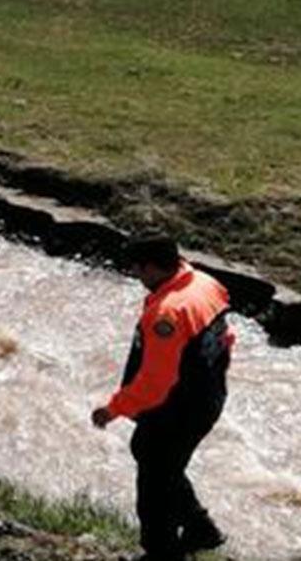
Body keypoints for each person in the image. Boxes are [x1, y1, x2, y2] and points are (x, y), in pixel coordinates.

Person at [92, 235, 234, 560]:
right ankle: (201, 529)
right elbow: (226, 337)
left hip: (177, 406)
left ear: (153, 267)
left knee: (154, 484)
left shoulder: (166, 314)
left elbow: (156, 381)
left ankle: (161, 552)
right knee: (153, 457)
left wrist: (113, 409)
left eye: (138, 270)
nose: (137, 276)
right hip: (208, 393)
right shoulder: (204, 283)